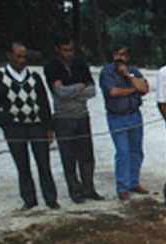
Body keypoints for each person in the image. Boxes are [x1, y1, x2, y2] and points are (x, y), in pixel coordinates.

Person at [0, 41, 59, 210]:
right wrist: (7, 125)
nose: (22, 60)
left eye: (24, 56)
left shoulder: (34, 77)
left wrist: (49, 127)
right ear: (9, 55)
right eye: (18, 56)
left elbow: (44, 103)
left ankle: (51, 199)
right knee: (22, 165)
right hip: (16, 128)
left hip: (37, 126)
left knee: (44, 164)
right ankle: (30, 200)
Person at [44, 34, 103, 204]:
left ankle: (88, 188)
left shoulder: (80, 64)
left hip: (82, 115)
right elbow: (59, 93)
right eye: (65, 50)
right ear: (58, 49)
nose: (69, 53)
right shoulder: (51, 66)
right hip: (63, 117)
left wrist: (71, 90)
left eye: (71, 49)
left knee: (87, 155)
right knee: (68, 156)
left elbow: (92, 91)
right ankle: (75, 191)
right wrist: (80, 87)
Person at [99, 44, 149, 201]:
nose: (119, 58)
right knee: (123, 152)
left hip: (134, 115)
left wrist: (128, 75)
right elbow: (113, 92)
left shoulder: (133, 71)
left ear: (128, 57)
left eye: (123, 55)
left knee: (137, 151)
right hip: (117, 116)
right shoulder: (107, 72)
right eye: (116, 54)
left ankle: (134, 182)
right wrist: (134, 89)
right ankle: (122, 187)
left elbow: (145, 88)